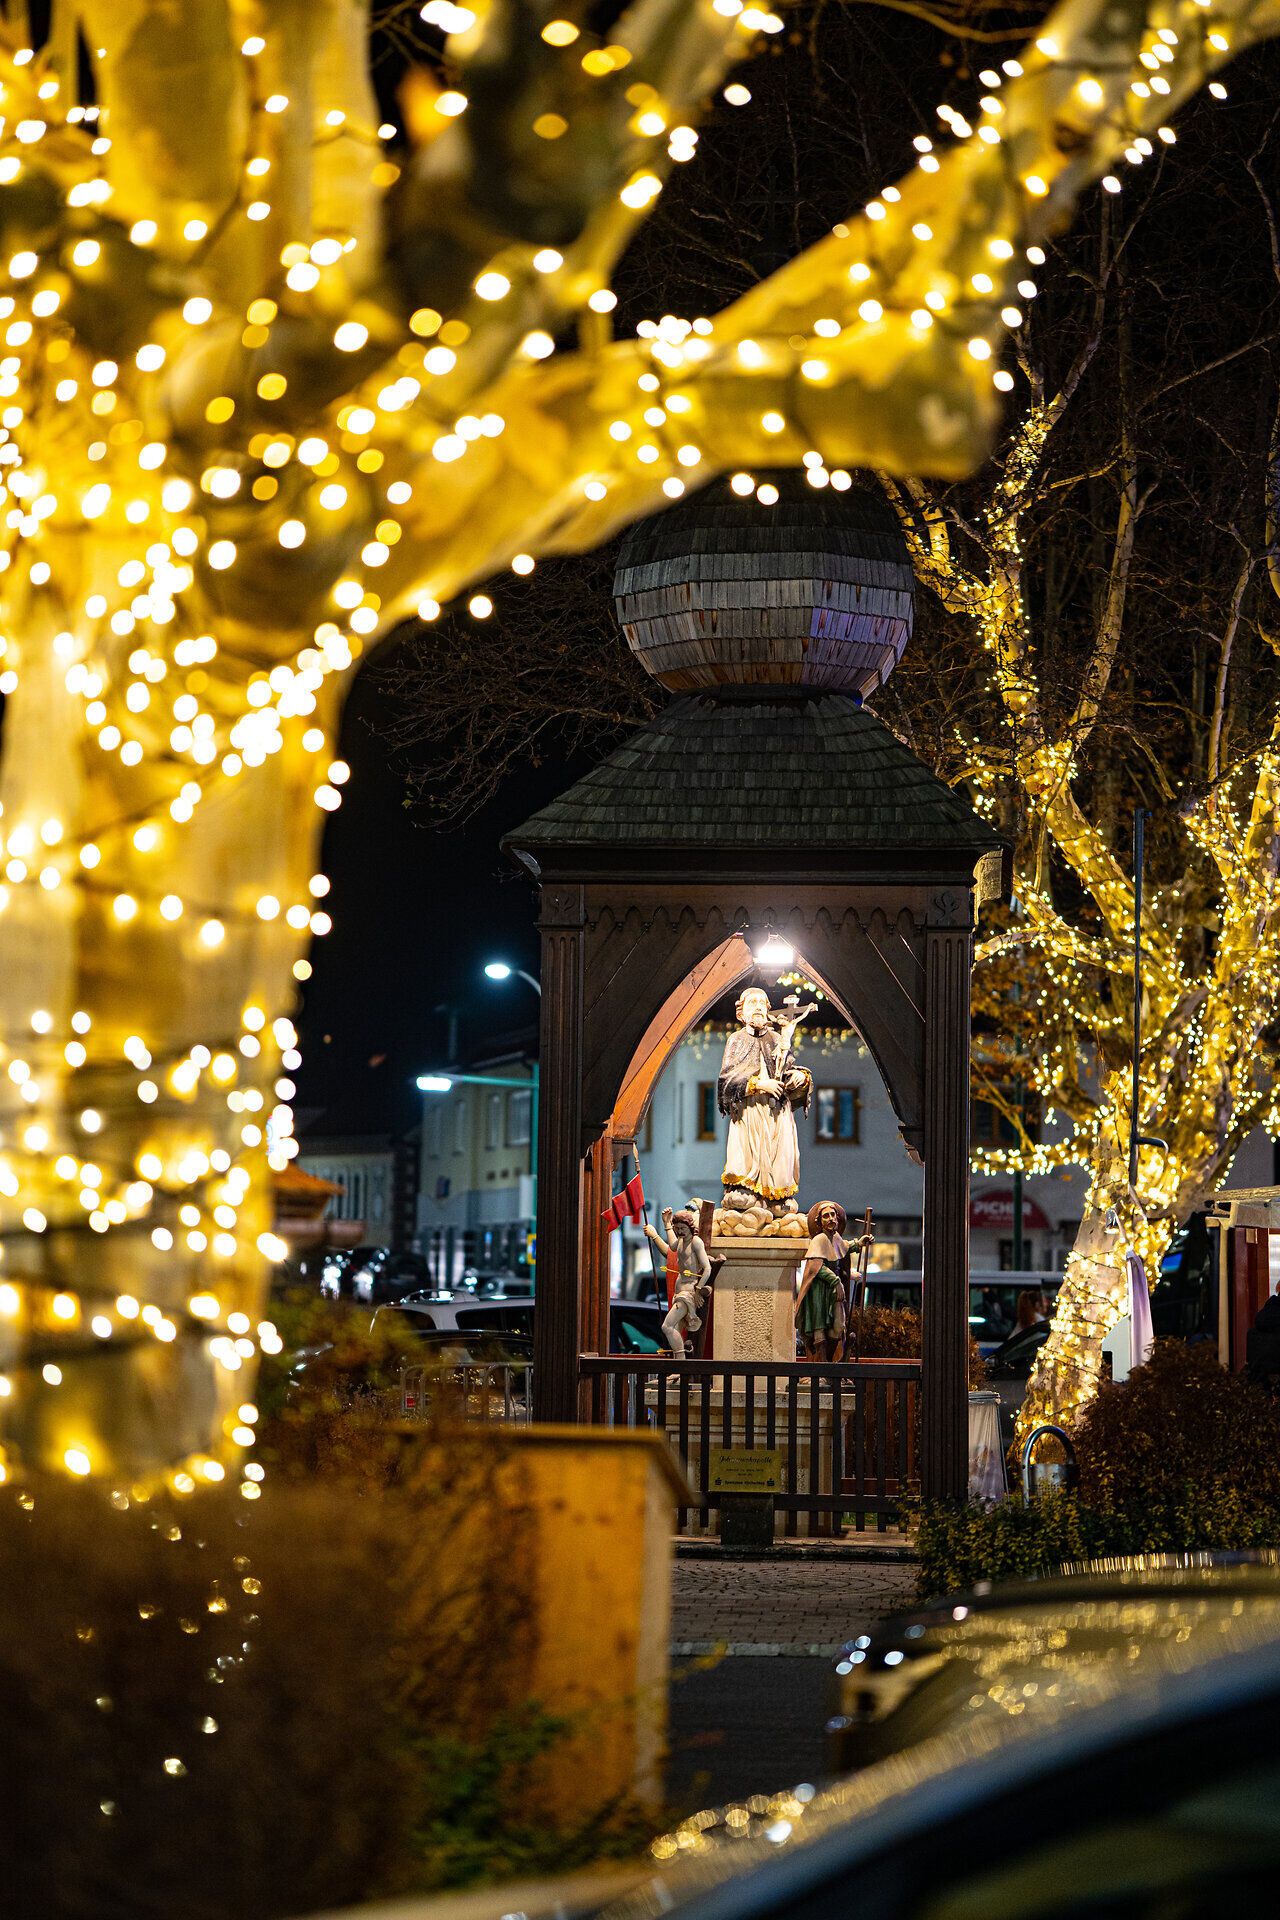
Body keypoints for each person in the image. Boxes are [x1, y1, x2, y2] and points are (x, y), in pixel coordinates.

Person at [717, 987, 813, 1213]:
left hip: (777, 1111)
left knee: (779, 1153)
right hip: (749, 1110)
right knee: (747, 1153)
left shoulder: (778, 1039)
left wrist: (799, 1077)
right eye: (752, 1003)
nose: (758, 1007)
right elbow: (726, 1081)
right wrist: (759, 1084)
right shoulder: (736, 1040)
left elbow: (784, 1069)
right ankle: (746, 1190)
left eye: (762, 1003)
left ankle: (777, 1196)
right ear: (741, 1013)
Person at [645, 1204, 712, 1359]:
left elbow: (707, 1268)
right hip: (679, 1290)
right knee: (675, 1328)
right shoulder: (681, 1241)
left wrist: (698, 1289)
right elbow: (672, 1248)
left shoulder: (696, 1242)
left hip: (688, 1291)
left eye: (683, 1228)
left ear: (690, 1226)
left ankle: (680, 1363)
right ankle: (678, 1366)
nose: (680, 1231)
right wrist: (666, 1224)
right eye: (678, 1228)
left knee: (667, 1326)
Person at [796, 1201, 848, 1361]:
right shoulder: (818, 1240)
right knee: (820, 1329)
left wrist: (859, 1243)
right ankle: (820, 1365)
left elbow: (843, 1247)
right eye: (826, 1216)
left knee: (838, 1327)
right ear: (820, 1222)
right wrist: (836, 1281)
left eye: (833, 1215)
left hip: (832, 1292)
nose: (831, 1218)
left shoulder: (836, 1238)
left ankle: (831, 1364)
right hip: (818, 1292)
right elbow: (817, 1267)